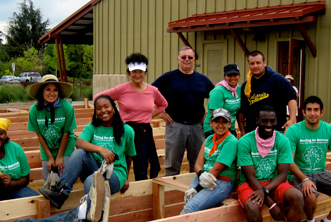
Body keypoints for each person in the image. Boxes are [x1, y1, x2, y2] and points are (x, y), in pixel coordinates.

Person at [38, 95, 136, 222]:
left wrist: (126, 178)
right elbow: (79, 142)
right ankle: (61, 193)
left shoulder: (127, 130)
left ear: (113, 108)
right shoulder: (92, 127)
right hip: (95, 167)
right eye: (99, 108)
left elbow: (129, 156)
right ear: (95, 112)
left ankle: (90, 221)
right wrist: (100, 149)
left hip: (114, 174)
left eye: (106, 106)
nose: (103, 111)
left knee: (92, 180)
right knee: (79, 153)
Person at [237, 105, 303, 222]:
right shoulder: (245, 141)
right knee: (252, 206)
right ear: (256, 120)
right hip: (251, 184)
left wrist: (265, 191)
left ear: (276, 121)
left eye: (272, 121)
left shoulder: (282, 140)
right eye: (264, 120)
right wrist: (271, 204)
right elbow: (249, 176)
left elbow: (283, 174)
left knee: (297, 196)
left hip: (274, 183)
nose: (268, 125)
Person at [95, 53, 168, 180]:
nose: (137, 75)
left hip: (144, 131)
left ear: (145, 72)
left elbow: (163, 104)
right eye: (134, 72)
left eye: (140, 72)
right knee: (122, 161)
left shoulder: (152, 90)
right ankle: (119, 184)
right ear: (129, 73)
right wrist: (111, 114)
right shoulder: (122, 89)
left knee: (142, 165)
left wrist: (149, 116)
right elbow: (99, 98)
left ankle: (141, 191)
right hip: (125, 130)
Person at [152, 46, 214, 176]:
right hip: (175, 126)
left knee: (197, 164)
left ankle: (195, 193)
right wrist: (161, 112)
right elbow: (150, 93)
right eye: (184, 57)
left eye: (190, 57)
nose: (187, 60)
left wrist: (208, 114)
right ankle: (170, 193)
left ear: (194, 59)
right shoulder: (168, 78)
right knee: (172, 165)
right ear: (178, 60)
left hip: (197, 128)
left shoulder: (202, 80)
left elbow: (216, 96)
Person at [181, 108, 238, 214]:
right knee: (190, 203)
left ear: (229, 124)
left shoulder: (231, 142)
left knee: (190, 208)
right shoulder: (209, 139)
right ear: (211, 123)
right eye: (217, 121)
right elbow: (198, 164)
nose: (220, 125)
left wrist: (197, 189)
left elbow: (217, 170)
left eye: (224, 122)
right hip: (202, 178)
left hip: (220, 182)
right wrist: (201, 174)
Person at [28, 74, 77, 181]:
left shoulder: (66, 107)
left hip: (66, 145)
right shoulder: (35, 110)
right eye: (48, 89)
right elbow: (39, 135)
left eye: (55, 90)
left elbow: (66, 133)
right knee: (48, 179)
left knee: (64, 178)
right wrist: (50, 157)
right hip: (47, 147)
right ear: (42, 91)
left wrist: (59, 157)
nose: (52, 93)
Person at [238, 51, 297, 135]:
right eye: (252, 63)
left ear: (264, 63)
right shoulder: (246, 86)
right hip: (253, 134)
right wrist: (243, 131)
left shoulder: (277, 79)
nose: (255, 66)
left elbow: (291, 97)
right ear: (249, 65)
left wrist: (292, 119)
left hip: (276, 131)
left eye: (258, 63)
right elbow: (242, 110)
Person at [203, 63, 241, 138]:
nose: (232, 77)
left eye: (235, 75)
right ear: (224, 77)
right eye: (229, 75)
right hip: (215, 128)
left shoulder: (239, 89)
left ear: (239, 75)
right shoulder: (218, 91)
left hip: (230, 127)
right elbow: (215, 113)